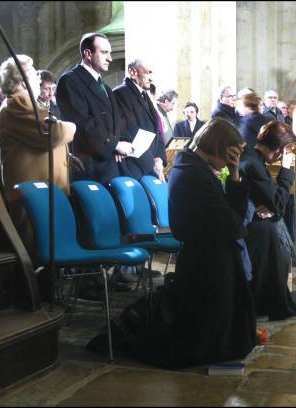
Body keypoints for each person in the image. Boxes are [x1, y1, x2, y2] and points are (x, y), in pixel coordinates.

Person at [99, 118, 257, 368]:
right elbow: (232, 224)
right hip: (204, 259)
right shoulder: (193, 174)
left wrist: (235, 174)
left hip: (212, 251)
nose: (230, 160)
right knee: (200, 340)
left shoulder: (197, 167)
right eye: (230, 153)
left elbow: (230, 220)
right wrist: (235, 214)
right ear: (218, 146)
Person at [0, 54, 75, 253]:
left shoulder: (26, 102)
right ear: (22, 82)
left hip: (43, 192)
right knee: (37, 253)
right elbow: (54, 133)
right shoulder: (17, 103)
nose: (39, 81)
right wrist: (71, 126)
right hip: (32, 196)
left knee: (50, 251)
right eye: (33, 76)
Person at [239, 121, 296, 321]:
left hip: (253, 219)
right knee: (273, 234)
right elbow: (279, 202)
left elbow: (273, 205)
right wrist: (286, 169)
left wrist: (273, 209)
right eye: (285, 152)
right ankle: (265, 301)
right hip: (250, 225)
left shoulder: (252, 157)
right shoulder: (253, 164)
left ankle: (268, 298)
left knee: (274, 227)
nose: (281, 158)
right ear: (280, 149)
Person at [55, 32, 130, 184]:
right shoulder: (70, 81)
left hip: (110, 165)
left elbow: (116, 122)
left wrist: (120, 142)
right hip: (89, 167)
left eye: (110, 53)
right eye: (104, 52)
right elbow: (82, 122)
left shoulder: (107, 88)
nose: (110, 58)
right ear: (88, 54)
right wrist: (114, 145)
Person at [113, 59, 167, 181]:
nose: (151, 78)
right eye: (148, 72)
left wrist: (159, 158)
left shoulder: (145, 95)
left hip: (149, 167)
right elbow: (130, 133)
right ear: (133, 72)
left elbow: (156, 131)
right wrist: (151, 164)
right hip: (134, 167)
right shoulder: (120, 93)